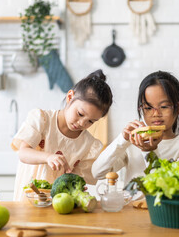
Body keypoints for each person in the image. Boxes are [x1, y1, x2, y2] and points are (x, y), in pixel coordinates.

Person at [11, 69, 113, 201]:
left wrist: (76, 185)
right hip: (28, 198)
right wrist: (48, 157)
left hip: (60, 204)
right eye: (80, 114)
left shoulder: (89, 145)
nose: (82, 123)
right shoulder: (43, 120)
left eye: (91, 121)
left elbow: (75, 177)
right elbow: (23, 153)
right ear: (70, 97)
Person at [92, 71, 179, 185]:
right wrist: (122, 140)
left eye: (164, 106)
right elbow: (98, 173)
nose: (155, 113)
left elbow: (170, 189)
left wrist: (150, 152)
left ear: (178, 107)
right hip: (132, 203)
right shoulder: (132, 142)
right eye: (148, 108)